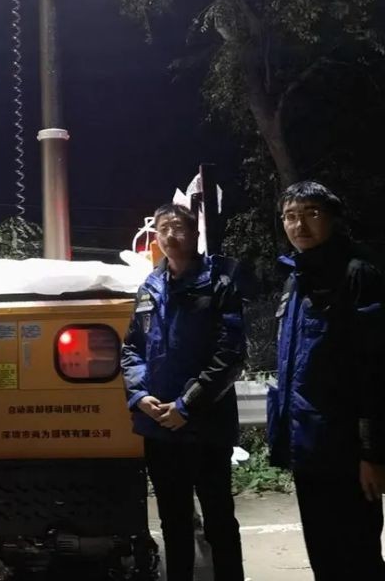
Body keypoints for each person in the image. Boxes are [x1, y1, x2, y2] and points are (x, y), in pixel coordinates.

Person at [266, 180, 385, 581]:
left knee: (360, 560)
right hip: (307, 449)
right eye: (290, 216)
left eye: (311, 213)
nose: (299, 225)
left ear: (333, 218)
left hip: (346, 451)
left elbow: (376, 369)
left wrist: (373, 455)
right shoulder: (296, 279)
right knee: (324, 558)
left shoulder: (356, 274)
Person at [121, 203, 248, 581]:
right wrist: (140, 396)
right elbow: (132, 349)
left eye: (178, 228)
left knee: (219, 519)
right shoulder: (150, 287)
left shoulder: (219, 284)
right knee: (173, 522)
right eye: (163, 229)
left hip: (207, 426)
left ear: (194, 235)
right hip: (160, 427)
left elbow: (230, 355)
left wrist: (186, 406)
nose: (170, 235)